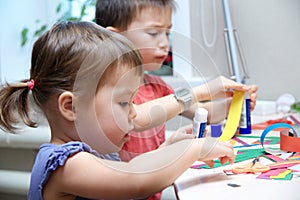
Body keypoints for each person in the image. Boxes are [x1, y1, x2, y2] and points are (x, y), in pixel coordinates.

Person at [0, 21, 235, 200]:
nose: (134, 112)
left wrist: (168, 147)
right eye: (124, 102)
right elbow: (135, 179)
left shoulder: (93, 152)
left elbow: (133, 167)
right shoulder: (65, 164)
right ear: (71, 107)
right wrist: (193, 149)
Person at [95, 0, 258, 164]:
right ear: (116, 37)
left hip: (154, 184)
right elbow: (136, 118)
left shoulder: (158, 86)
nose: (165, 43)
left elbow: (201, 112)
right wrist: (201, 91)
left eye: (168, 33)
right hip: (130, 185)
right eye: (153, 33)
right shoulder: (107, 92)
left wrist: (232, 105)